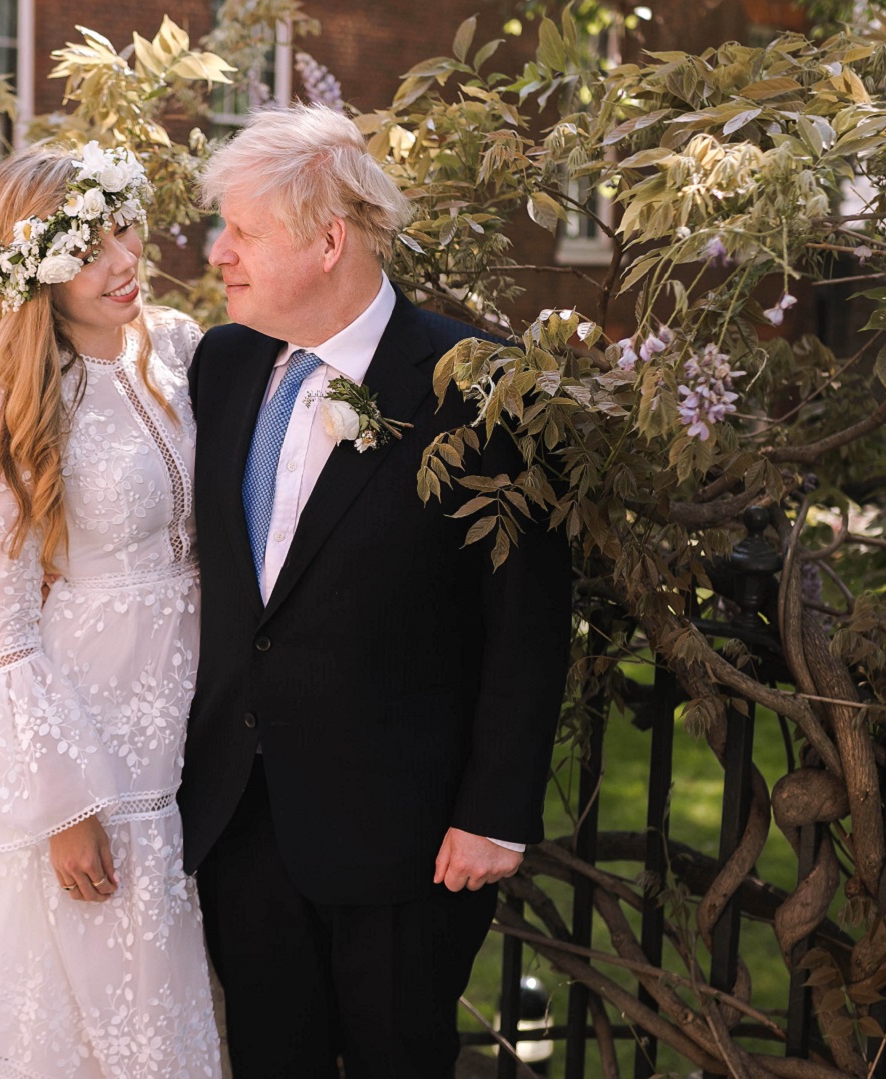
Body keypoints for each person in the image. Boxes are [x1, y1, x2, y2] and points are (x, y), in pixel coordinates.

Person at [179, 104, 573, 1078]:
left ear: (328, 240)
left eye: (242, 231)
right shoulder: (222, 365)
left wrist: (496, 811)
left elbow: (526, 618)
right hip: (244, 817)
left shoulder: (481, 386)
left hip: (408, 834)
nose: (218, 254)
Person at [0, 141, 220, 1078]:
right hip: (89, 739)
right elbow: (10, 631)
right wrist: (67, 805)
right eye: (90, 247)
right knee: (98, 1010)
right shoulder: (19, 404)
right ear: (36, 268)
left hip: (190, 713)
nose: (124, 260)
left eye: (126, 229)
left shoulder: (179, 349)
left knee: (175, 993)